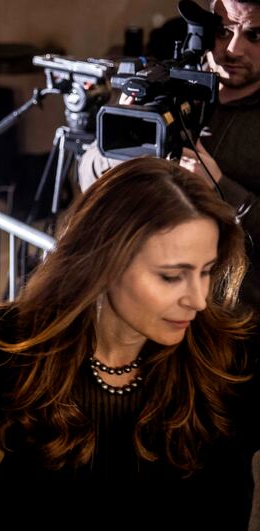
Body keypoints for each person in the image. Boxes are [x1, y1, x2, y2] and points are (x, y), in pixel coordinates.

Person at [0, 157, 260, 531]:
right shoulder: (15, 339)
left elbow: (231, 503)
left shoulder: (231, 359)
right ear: (103, 261)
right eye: (172, 277)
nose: (199, 300)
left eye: (205, 272)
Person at [79, 0, 260, 307]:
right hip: (144, 301)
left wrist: (222, 191)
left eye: (254, 36)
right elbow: (88, 174)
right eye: (221, 31)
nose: (232, 49)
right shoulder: (168, 82)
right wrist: (124, 140)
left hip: (230, 317)